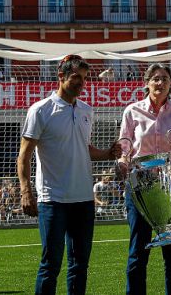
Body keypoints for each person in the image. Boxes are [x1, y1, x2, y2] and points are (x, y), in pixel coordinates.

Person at [17, 55, 120, 294]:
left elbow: (83, 148)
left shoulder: (87, 110)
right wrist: (25, 191)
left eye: (84, 78)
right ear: (60, 76)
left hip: (83, 200)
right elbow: (24, 155)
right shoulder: (41, 110)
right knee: (50, 265)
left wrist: (107, 153)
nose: (81, 83)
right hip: (53, 200)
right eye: (76, 77)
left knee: (79, 265)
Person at [116, 63, 171, 295]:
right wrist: (121, 164)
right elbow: (124, 146)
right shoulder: (132, 111)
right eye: (156, 79)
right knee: (138, 252)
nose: (160, 83)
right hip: (141, 188)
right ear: (147, 83)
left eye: (165, 79)